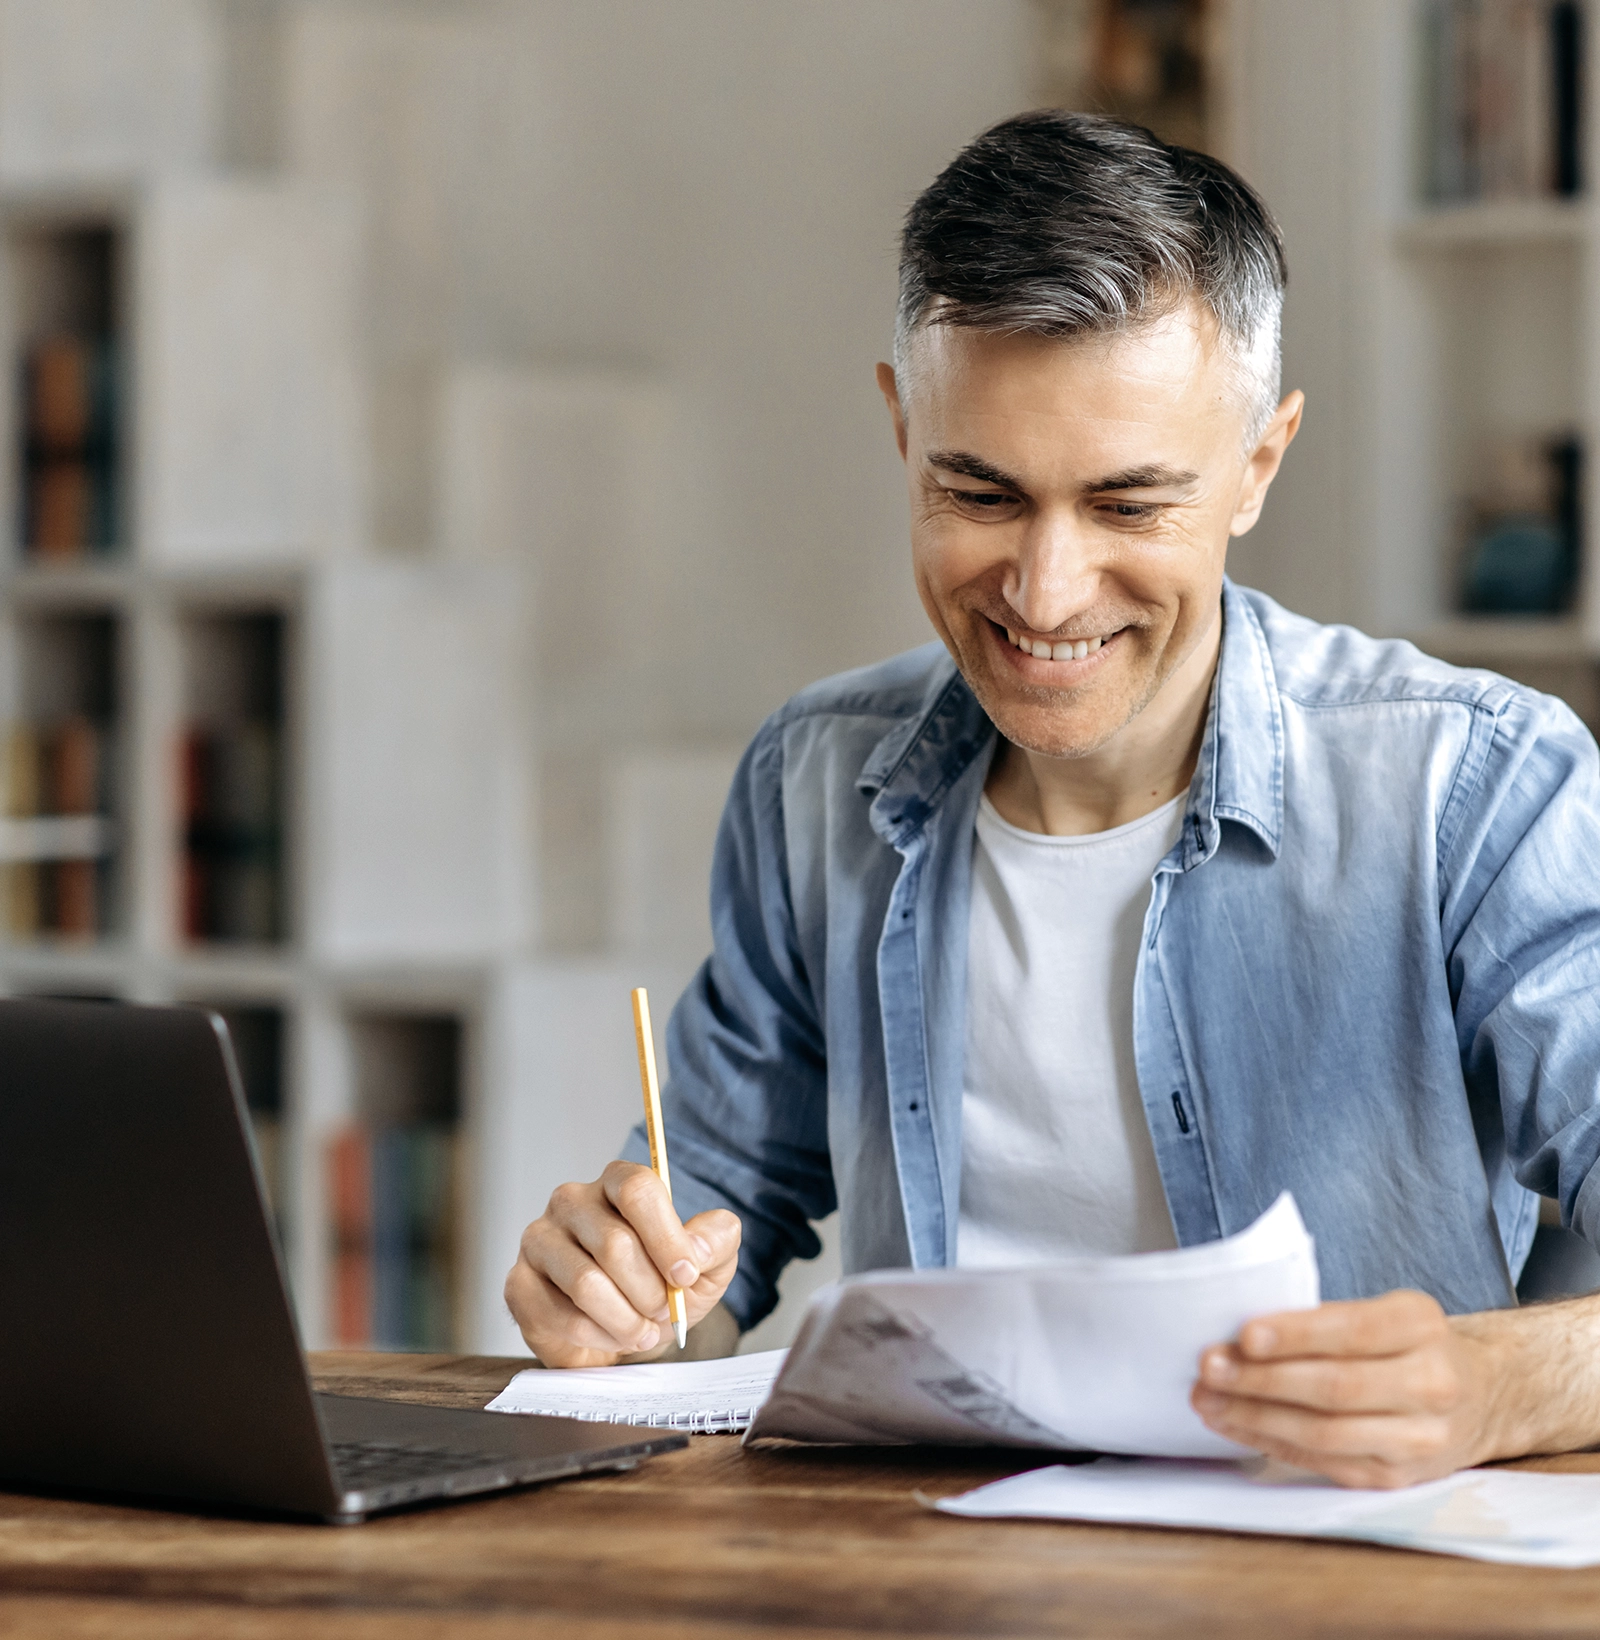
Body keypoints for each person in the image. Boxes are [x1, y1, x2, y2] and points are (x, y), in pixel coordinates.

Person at [504, 111, 1600, 1489]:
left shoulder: (1479, 787)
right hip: (924, 1572)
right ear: (905, 428)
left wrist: (1497, 1385)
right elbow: (697, 1278)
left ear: (1259, 462)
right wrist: (615, 1312)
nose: (1044, 591)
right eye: (979, 491)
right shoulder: (812, 784)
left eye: (1130, 506)